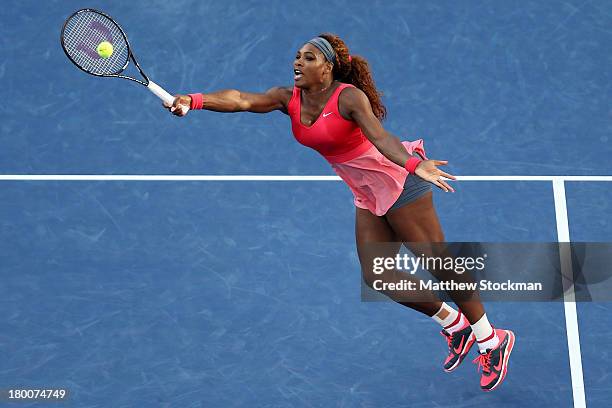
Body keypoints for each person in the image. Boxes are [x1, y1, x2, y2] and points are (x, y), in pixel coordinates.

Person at [164, 33, 515, 392]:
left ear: (328, 68)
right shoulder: (289, 98)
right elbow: (240, 100)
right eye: (297, 56)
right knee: (380, 276)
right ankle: (455, 325)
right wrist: (194, 101)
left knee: (439, 263)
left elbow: (380, 137)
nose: (297, 63)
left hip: (397, 181)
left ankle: (491, 340)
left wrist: (413, 165)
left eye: (309, 58)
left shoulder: (348, 97)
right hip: (365, 192)